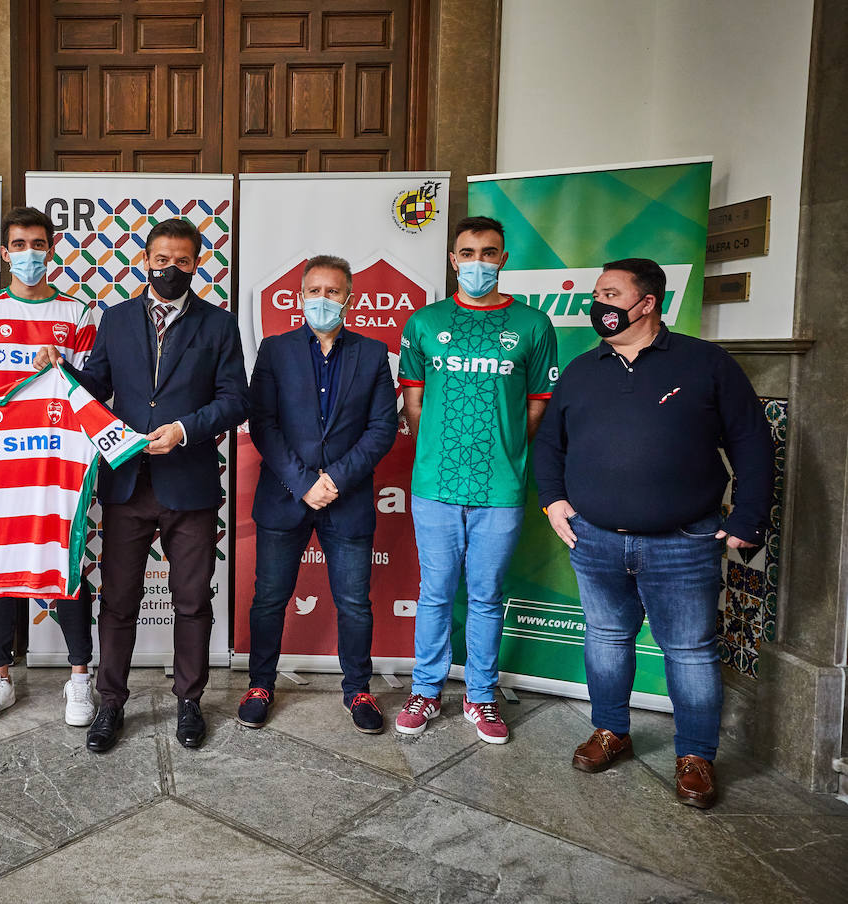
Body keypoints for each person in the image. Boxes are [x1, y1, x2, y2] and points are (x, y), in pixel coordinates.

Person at [534, 257, 772, 808]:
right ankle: (610, 731)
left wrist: (748, 519)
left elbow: (753, 442)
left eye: (612, 294)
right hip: (593, 539)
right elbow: (550, 444)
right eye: (597, 294)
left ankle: (695, 757)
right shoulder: (582, 368)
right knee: (607, 638)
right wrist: (553, 501)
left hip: (684, 542)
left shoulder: (706, 363)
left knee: (689, 651)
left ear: (648, 304)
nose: (599, 305)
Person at [35, 217, 247, 753]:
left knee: (193, 600)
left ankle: (189, 702)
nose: (170, 269)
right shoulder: (117, 319)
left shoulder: (219, 326)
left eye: (181, 261)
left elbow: (234, 401)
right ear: (143, 261)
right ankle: (110, 703)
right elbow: (99, 386)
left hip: (190, 484)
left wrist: (184, 430)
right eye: (161, 259)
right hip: (126, 482)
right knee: (120, 602)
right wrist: (61, 369)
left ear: (198, 264)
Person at [396, 215, 558, 744]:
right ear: (453, 259)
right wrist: (442, 450)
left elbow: (536, 408)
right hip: (435, 485)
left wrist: (503, 449)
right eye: (468, 253)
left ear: (504, 259)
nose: (478, 263)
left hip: (501, 487)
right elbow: (414, 406)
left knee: (486, 596)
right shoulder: (423, 323)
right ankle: (425, 691)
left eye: (489, 253)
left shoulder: (534, 326)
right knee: (436, 593)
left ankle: (482, 697)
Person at [0, 206, 100, 727]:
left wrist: (59, 371)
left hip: (58, 462)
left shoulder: (79, 313)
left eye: (38, 244)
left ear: (52, 247)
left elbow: (89, 392)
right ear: (4, 251)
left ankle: (80, 677)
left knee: (67, 563)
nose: (29, 254)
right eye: (19, 244)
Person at [240, 255, 398, 733]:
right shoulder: (275, 350)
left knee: (354, 604)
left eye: (333, 292)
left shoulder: (372, 354)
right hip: (285, 496)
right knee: (269, 599)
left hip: (346, 501)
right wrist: (304, 481)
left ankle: (359, 690)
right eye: (314, 291)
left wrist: (335, 480)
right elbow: (263, 423)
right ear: (299, 296)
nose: (322, 300)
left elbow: (382, 427)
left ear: (349, 298)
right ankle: (260, 684)